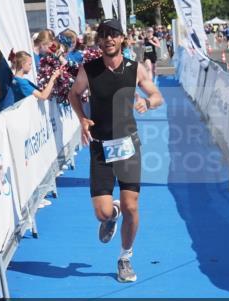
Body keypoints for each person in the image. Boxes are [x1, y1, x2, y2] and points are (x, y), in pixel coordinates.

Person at [67, 19, 163, 284]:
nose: (109, 39)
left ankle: (125, 258)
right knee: (102, 212)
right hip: (100, 148)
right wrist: (82, 119)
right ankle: (112, 216)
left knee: (132, 205)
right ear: (99, 41)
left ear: (122, 38)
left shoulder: (135, 69)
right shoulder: (89, 69)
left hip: (128, 146)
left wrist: (148, 103)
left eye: (114, 34)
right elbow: (74, 94)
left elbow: (157, 96)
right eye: (104, 35)